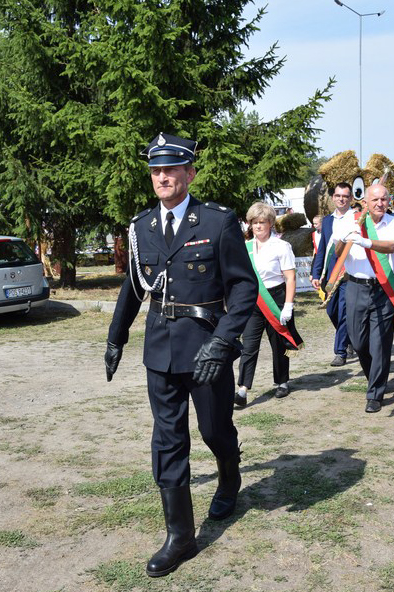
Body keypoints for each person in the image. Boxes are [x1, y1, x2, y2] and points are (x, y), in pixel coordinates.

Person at [104, 133, 258, 578]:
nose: (163, 177)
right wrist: (116, 338)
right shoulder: (141, 228)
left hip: (207, 349)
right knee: (168, 440)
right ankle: (181, 536)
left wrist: (223, 341)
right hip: (160, 351)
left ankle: (229, 476)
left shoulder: (217, 222)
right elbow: (134, 288)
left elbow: (244, 287)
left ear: (189, 173)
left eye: (171, 170)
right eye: (156, 171)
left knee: (214, 430)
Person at [332, 183, 394, 413]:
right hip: (355, 287)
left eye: (384, 199)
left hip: (383, 288)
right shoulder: (348, 221)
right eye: (375, 200)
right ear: (366, 202)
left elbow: (393, 246)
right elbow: (337, 252)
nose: (380, 204)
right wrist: (345, 238)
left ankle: (375, 393)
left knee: (380, 344)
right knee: (358, 341)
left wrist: (366, 242)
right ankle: (373, 375)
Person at [235, 202, 302, 407]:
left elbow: (290, 278)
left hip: (276, 297)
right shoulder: (245, 248)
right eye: (254, 223)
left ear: (270, 223)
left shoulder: (281, 246)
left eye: (262, 222)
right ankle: (243, 389)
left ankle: (282, 381)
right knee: (249, 345)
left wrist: (288, 305)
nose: (258, 227)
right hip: (254, 301)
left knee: (278, 344)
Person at [310, 183, 355, 366]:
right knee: (331, 310)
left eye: (345, 196)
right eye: (338, 195)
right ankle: (349, 338)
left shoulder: (356, 218)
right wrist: (315, 273)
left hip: (349, 272)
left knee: (344, 310)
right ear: (333, 197)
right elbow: (322, 249)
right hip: (331, 274)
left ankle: (340, 352)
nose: (341, 199)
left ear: (350, 198)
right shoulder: (327, 221)